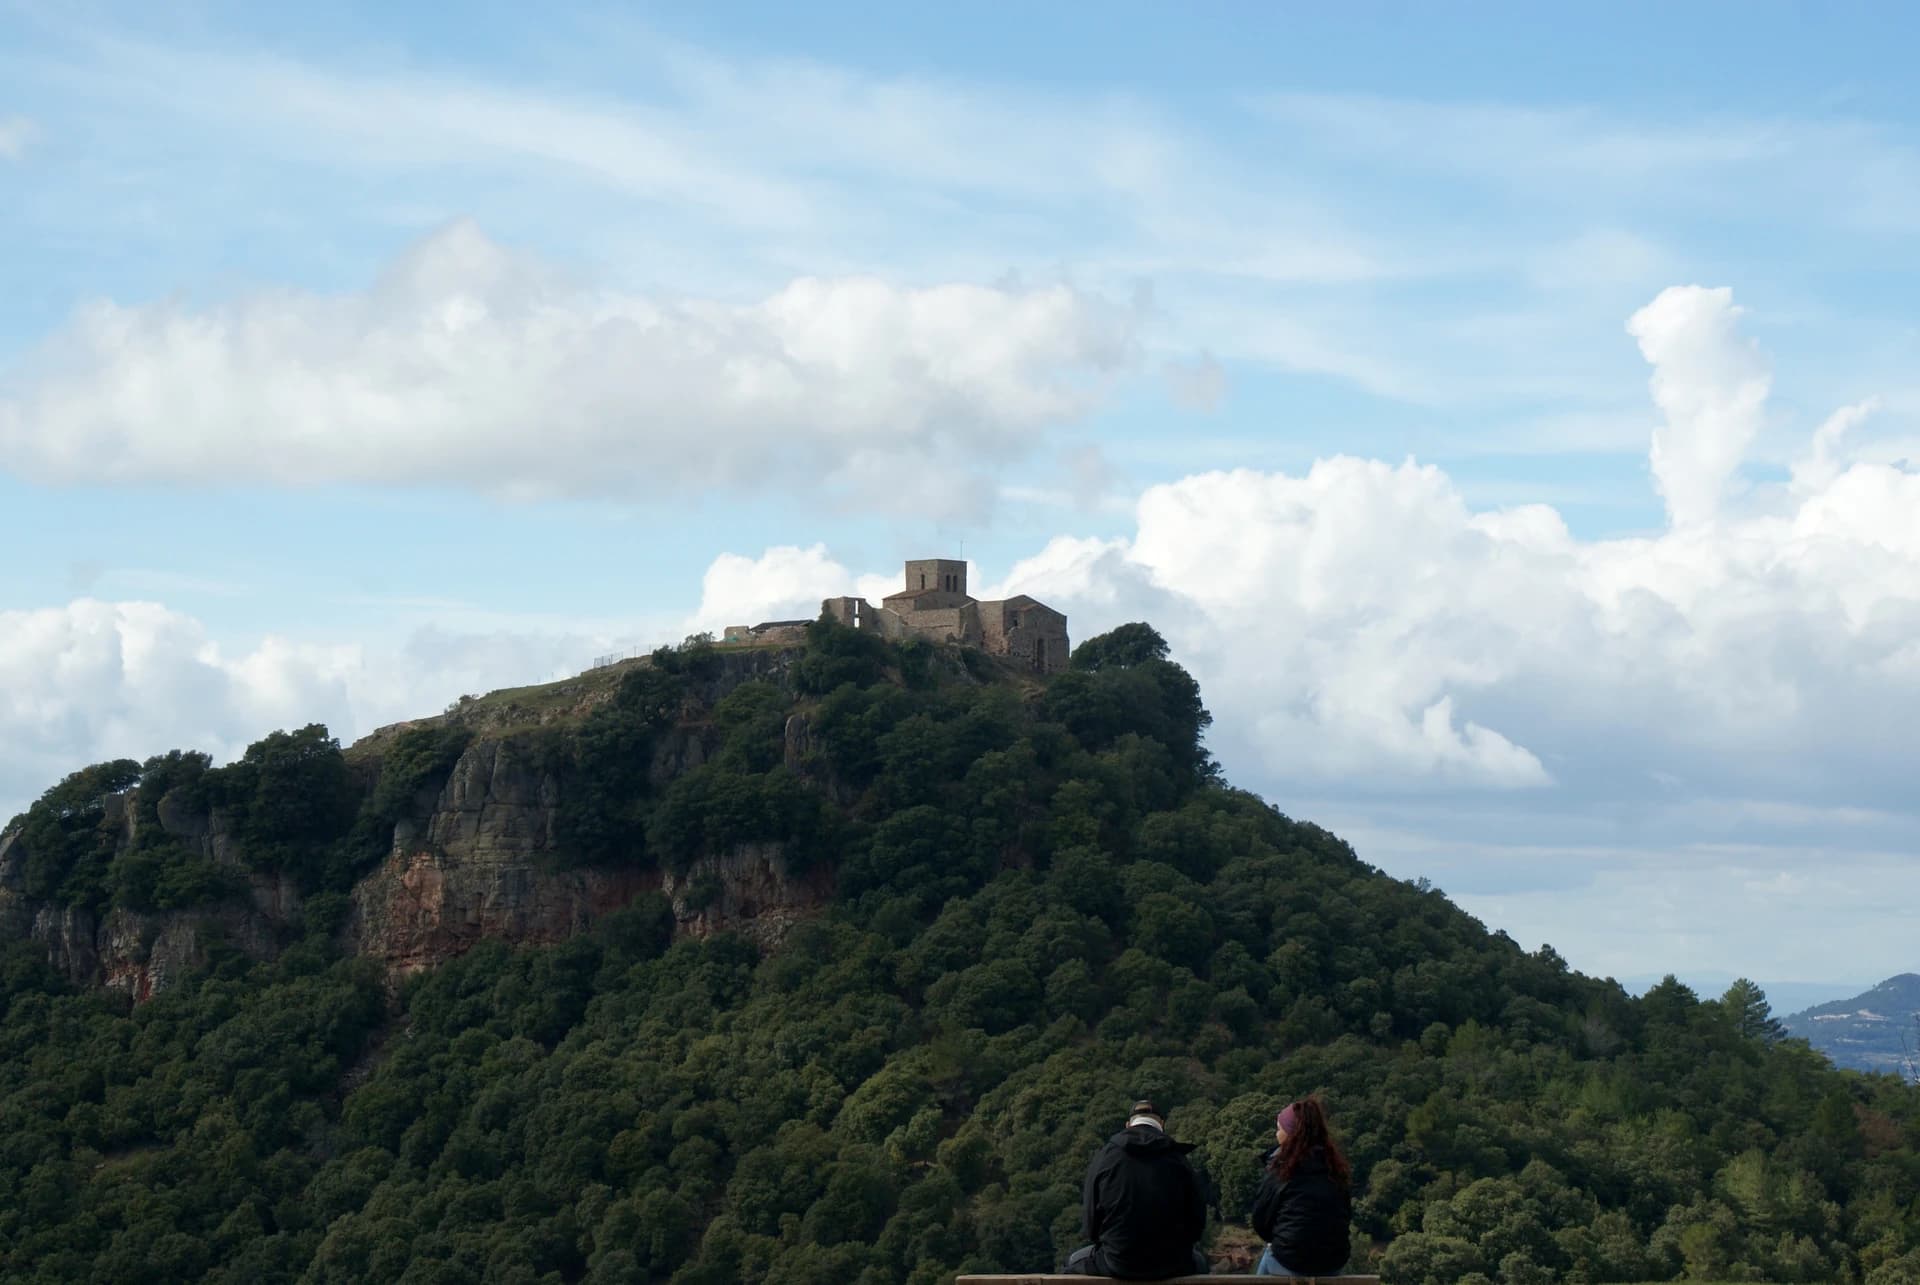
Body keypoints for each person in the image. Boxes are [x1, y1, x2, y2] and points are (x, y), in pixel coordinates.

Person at [1061, 1098, 1209, 1278]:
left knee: (1073, 1261)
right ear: (1162, 1124)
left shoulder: (1106, 1157)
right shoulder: (1179, 1159)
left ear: (1128, 1125)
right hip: (1172, 1263)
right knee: (1200, 1262)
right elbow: (1197, 1224)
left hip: (1118, 1261)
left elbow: (1090, 1224)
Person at [1249, 1096, 1353, 1278]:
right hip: (1332, 1263)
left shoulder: (1281, 1170)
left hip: (1290, 1260)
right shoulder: (1335, 1170)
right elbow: (1345, 1215)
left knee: (1268, 1256)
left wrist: (1282, 1238)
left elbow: (1260, 1220)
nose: (1276, 1134)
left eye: (1279, 1129)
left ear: (1290, 1134)